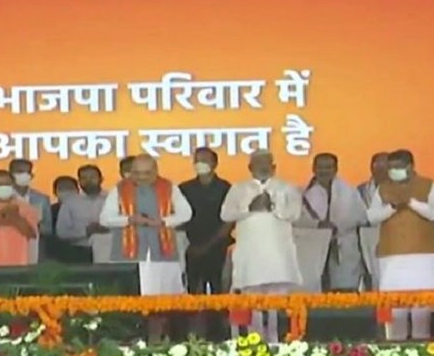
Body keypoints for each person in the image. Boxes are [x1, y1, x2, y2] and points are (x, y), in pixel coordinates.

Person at [99, 154, 192, 341]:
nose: (141, 178)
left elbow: (186, 213)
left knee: (164, 303)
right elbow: (105, 218)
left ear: (156, 171)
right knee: (131, 302)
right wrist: (129, 219)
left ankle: (161, 340)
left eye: (146, 173)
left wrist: (163, 221)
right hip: (129, 256)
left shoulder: (169, 187)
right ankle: (132, 341)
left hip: (162, 254)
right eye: (137, 173)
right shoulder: (119, 189)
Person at [220, 150, 302, 343]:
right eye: (258, 164)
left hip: (278, 257)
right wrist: (249, 208)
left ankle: (278, 344)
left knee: (277, 305)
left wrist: (272, 205)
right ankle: (254, 343)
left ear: (274, 167)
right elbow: (225, 214)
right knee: (252, 304)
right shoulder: (238, 189)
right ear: (250, 167)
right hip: (250, 257)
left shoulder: (287, 188)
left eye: (267, 164)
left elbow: (295, 214)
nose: (263, 167)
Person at [366, 149, 434, 340]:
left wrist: (410, 202)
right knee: (395, 310)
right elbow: (372, 217)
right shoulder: (383, 188)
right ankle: (395, 350)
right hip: (392, 255)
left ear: (410, 166)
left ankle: (422, 348)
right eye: (391, 167)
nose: (393, 171)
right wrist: (393, 206)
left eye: (397, 167)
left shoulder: (429, 185)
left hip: (423, 256)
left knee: (421, 310)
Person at [178, 147, 232, 339]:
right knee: (193, 291)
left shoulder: (225, 188)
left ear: (215, 163)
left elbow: (229, 221)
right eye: (197, 160)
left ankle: (219, 334)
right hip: (191, 247)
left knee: (219, 291)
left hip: (217, 246)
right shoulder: (184, 189)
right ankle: (194, 335)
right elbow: (178, 219)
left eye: (205, 160)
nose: (200, 164)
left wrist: (208, 245)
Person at [295, 153, 367, 291]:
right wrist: (318, 226)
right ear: (313, 168)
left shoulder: (349, 191)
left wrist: (335, 228)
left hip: (342, 247)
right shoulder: (303, 193)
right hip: (314, 247)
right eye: (320, 167)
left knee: (344, 291)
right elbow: (297, 219)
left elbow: (360, 217)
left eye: (328, 167)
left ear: (336, 169)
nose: (324, 171)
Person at [55, 166, 108, 264]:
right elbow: (62, 232)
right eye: (84, 178)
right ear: (79, 181)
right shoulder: (70, 202)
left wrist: (107, 228)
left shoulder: (113, 198)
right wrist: (85, 231)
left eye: (92, 177)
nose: (89, 181)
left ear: (101, 179)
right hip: (79, 252)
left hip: (109, 248)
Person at [8, 159, 51, 263]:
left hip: (34, 247)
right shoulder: (2, 198)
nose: (24, 175)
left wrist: (37, 226)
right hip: (8, 245)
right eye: (19, 172)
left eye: (27, 172)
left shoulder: (42, 199)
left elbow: (48, 229)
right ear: (10, 174)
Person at [47, 175, 83, 263]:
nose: (66, 191)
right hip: (55, 254)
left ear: (78, 190)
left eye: (69, 188)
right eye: (61, 188)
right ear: (54, 192)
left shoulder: (85, 208)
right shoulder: (49, 210)